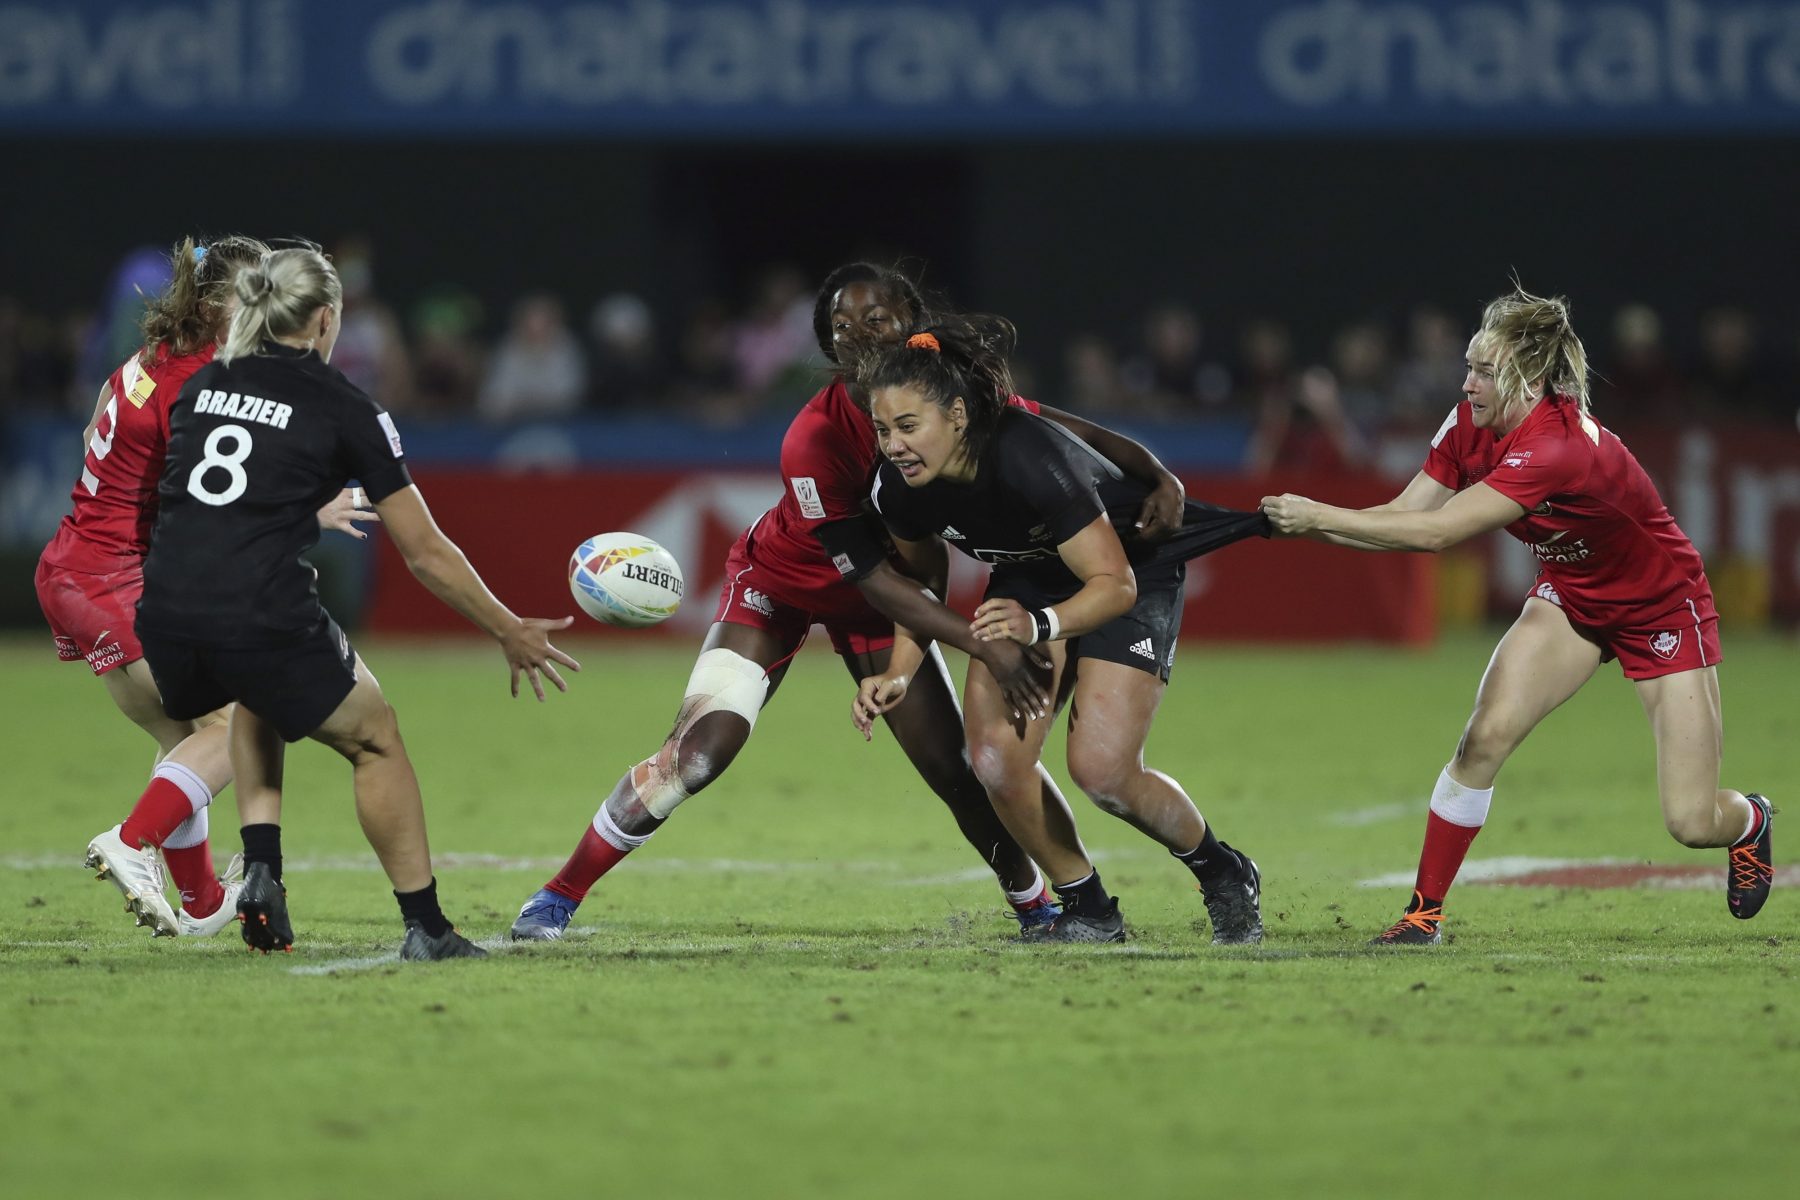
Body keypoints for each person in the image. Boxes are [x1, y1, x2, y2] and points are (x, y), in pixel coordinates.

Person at [509, 262, 1191, 940]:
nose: (859, 335)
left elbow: (1057, 432)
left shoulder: (953, 401)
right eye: (841, 325)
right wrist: (982, 642)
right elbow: (869, 573)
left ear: (912, 328)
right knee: (697, 753)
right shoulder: (815, 437)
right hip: (781, 587)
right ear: (828, 345)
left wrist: (1154, 471)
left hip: (884, 608)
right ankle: (556, 896)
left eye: (877, 319)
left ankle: (1038, 906)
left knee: (959, 771)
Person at [1260, 286, 1774, 945]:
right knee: (1483, 738)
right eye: (1468, 366)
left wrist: (1314, 516)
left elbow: (1435, 538)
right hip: (1571, 594)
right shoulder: (1468, 419)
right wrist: (1308, 527)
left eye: (1485, 370)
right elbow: (1406, 513)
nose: (1468, 383)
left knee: (1690, 821)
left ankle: (1751, 821)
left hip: (1661, 607)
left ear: (1530, 378)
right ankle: (1424, 915)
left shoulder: (1554, 448)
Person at [136, 244, 579, 960]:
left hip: (164, 613)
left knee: (257, 691)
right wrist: (508, 628)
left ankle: (262, 872)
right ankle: (427, 927)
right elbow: (425, 552)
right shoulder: (345, 406)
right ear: (323, 319)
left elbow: (218, 486)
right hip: (255, 610)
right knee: (375, 737)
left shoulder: (203, 383)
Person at [847, 320, 1270, 944]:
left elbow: (1114, 583)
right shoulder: (899, 490)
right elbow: (925, 586)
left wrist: (1037, 624)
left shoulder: (1028, 456)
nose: (895, 445)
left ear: (958, 415)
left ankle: (1223, 870)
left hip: (1128, 570)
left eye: (909, 426)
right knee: (994, 760)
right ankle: (1089, 908)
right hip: (1031, 579)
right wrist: (900, 671)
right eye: (883, 430)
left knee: (1104, 772)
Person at [37, 234, 374, 939]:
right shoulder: (200, 378)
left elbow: (100, 428)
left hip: (74, 567)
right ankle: (131, 841)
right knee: (244, 720)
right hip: (116, 576)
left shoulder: (151, 357)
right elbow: (211, 498)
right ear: (225, 302)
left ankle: (197, 901)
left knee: (185, 732)